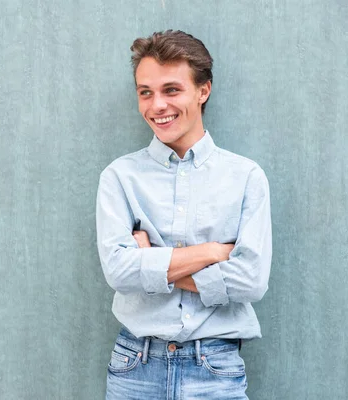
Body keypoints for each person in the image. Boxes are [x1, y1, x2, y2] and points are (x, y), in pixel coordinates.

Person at [95, 30, 272, 399]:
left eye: (171, 90)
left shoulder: (246, 177)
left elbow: (251, 282)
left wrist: (148, 261)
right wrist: (211, 253)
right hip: (134, 369)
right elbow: (119, 272)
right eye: (146, 92)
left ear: (202, 90)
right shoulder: (119, 177)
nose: (157, 105)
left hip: (216, 369)